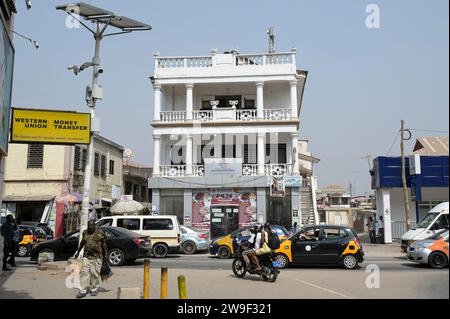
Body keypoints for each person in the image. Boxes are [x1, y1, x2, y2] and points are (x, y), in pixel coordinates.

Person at [74, 220, 108, 298]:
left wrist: (105, 255)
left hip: (97, 257)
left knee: (94, 274)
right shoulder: (85, 232)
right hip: (86, 256)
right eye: (89, 226)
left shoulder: (100, 232)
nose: (90, 227)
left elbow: (104, 244)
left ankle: (94, 289)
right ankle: (82, 290)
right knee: (83, 272)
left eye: (92, 226)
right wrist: (78, 252)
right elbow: (82, 242)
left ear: (94, 226)